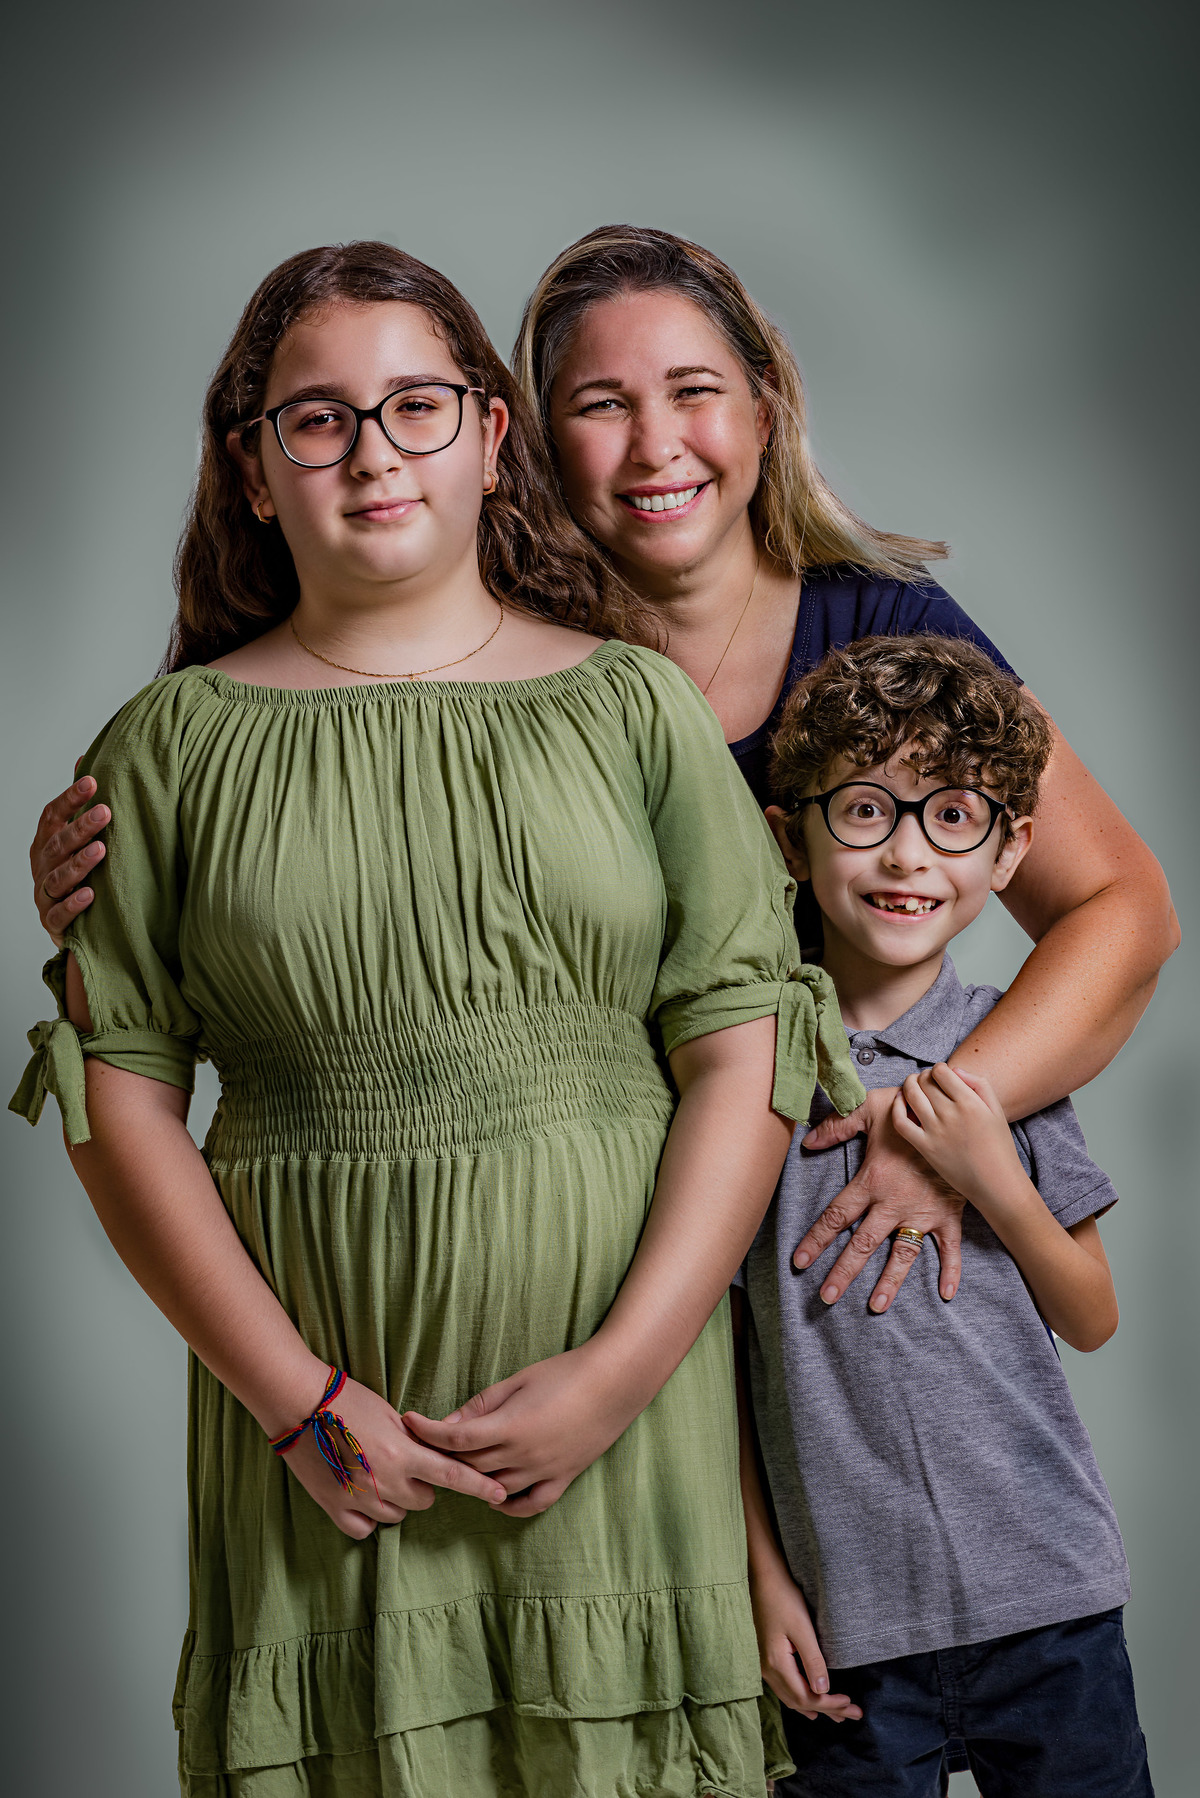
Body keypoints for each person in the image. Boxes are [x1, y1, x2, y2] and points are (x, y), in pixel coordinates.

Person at [11, 241, 867, 1798]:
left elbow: (745, 1050)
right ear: (254, 472)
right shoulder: (164, 747)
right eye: (316, 419)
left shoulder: (632, 707)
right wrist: (300, 1404)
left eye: (415, 405)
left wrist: (621, 1368)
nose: (372, 449)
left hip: (628, 1413)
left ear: (489, 437)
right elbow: (115, 1097)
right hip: (333, 1448)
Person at [33, 225, 1178, 1318]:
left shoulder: (886, 632)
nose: (655, 443)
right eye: (601, 405)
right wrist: (131, 870)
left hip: (829, 1197)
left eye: (694, 391)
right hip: (607, 1226)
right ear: (523, 442)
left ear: (764, 413)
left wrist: (933, 1132)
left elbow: (1121, 909)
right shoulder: (496, 649)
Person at [736, 632, 1152, 1796]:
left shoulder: (1011, 1055)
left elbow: (1093, 1313)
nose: (908, 854)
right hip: (847, 1631)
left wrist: (988, 1168)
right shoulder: (750, 1074)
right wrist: (763, 1580)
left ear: (1011, 845)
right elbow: (714, 1357)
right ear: (790, 833)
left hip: (1051, 1604)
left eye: (954, 815)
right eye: (865, 810)